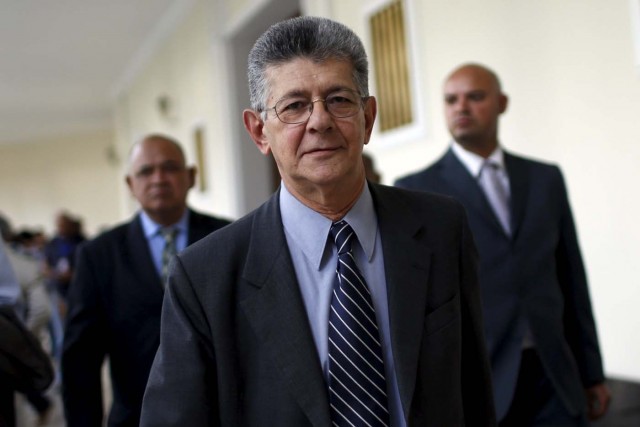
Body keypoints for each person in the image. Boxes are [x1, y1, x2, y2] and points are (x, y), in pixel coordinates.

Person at [141, 17, 495, 426]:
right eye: (293, 106)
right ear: (259, 132)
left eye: (339, 100)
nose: (320, 120)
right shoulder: (205, 275)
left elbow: (473, 388)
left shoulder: (441, 227)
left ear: (368, 116)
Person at [395, 63, 610, 426]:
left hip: (555, 377)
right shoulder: (416, 191)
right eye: (451, 100)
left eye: (475, 97)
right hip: (478, 387)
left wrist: (592, 372)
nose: (461, 107)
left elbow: (572, 278)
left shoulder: (545, 178)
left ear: (502, 103)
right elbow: (413, 307)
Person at [61, 134, 231, 427]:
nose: (159, 178)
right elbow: (81, 361)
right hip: (134, 417)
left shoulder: (228, 239)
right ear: (130, 184)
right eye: (145, 171)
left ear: (190, 176)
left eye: (170, 168)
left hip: (222, 415)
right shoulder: (98, 256)